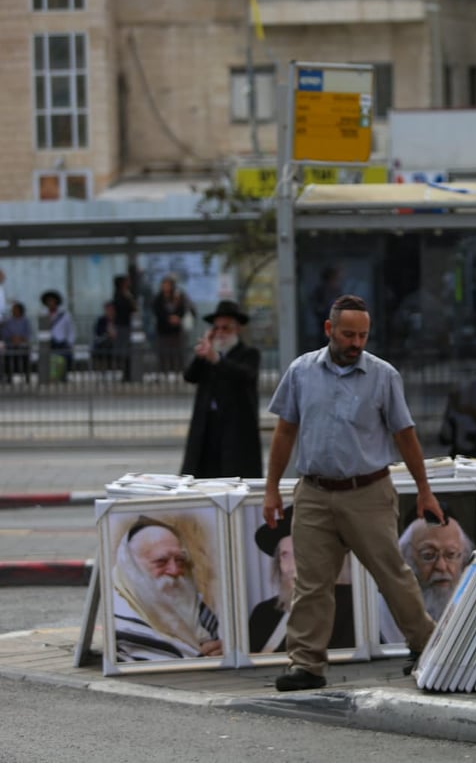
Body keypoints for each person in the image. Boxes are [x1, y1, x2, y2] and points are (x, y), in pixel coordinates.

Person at [263, 293, 446, 692]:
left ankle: (427, 647)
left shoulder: (383, 376)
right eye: (348, 334)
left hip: (368, 493)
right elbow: (284, 433)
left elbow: (406, 436)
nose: (356, 343)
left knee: (393, 576)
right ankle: (306, 664)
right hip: (313, 493)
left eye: (363, 335)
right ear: (329, 330)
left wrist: (424, 490)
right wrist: (272, 489)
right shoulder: (301, 372)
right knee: (311, 583)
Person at [110, 515, 223, 661]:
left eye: (180, 560)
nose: (175, 570)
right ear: (131, 567)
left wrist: (220, 649)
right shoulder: (122, 625)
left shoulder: (195, 604)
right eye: (161, 561)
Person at [250, 504, 357, 654]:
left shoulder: (354, 607)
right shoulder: (263, 614)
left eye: (304, 552)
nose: (293, 566)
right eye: (285, 555)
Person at [181, 300, 263, 479]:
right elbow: (190, 376)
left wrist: (217, 359)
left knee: (233, 477)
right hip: (208, 426)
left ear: (237, 329)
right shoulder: (209, 355)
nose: (220, 333)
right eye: (216, 328)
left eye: (225, 328)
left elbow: (244, 375)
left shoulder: (248, 354)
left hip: (235, 430)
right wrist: (201, 355)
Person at [379, 507, 476, 644]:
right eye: (428, 556)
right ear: (407, 559)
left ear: (463, 558)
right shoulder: (378, 616)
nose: (441, 566)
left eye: (451, 554)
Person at [151, 275, 195, 375]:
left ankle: (178, 371)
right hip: (163, 330)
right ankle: (164, 372)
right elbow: (157, 311)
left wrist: (177, 317)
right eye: (164, 285)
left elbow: (183, 308)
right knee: (164, 352)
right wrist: (168, 318)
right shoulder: (158, 298)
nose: (166, 287)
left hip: (176, 330)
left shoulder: (178, 296)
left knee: (177, 352)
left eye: (168, 285)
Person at [40, 289, 75, 381]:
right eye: (48, 300)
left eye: (52, 300)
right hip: (48, 342)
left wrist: (70, 343)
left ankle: (63, 377)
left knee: (63, 359)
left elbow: (70, 330)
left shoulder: (65, 315)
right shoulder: (43, 314)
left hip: (61, 342)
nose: (50, 303)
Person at [112, 274, 138, 382]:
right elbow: (130, 308)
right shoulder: (119, 296)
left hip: (128, 326)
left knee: (129, 351)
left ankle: (129, 373)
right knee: (125, 351)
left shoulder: (127, 294)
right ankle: (126, 374)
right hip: (123, 326)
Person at [1, 301, 32, 383]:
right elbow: (4, 333)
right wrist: (12, 338)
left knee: (25, 357)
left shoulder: (25, 321)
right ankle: (9, 377)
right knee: (7, 357)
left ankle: (27, 377)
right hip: (11, 344)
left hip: (22, 344)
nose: (14, 311)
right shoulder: (8, 321)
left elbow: (28, 333)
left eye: (16, 309)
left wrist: (20, 338)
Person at [92, 300, 118, 371]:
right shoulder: (101, 320)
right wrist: (108, 333)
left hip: (116, 343)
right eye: (108, 310)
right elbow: (98, 333)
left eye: (111, 310)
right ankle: (102, 367)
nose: (110, 312)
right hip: (104, 342)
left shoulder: (118, 321)